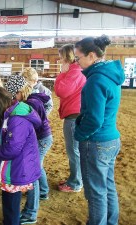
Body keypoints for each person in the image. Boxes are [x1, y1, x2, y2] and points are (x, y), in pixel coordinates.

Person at [74, 35, 125, 225]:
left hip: (96, 142)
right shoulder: (110, 75)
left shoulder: (95, 80)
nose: (77, 62)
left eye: (78, 57)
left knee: (96, 193)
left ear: (92, 55)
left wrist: (79, 134)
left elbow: (94, 119)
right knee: (108, 187)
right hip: (111, 139)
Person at [0, 87, 42, 225]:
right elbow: (3, 139)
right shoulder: (11, 116)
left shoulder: (16, 120)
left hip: (17, 170)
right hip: (16, 168)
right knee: (10, 204)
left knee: (11, 206)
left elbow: (11, 149)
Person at [5, 75, 53, 224]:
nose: (14, 99)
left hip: (41, 139)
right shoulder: (31, 100)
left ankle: (31, 212)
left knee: (32, 175)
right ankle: (43, 193)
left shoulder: (30, 102)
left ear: (18, 92)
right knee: (36, 170)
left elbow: (34, 124)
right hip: (41, 138)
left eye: (14, 95)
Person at [54, 44, 86, 192]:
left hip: (74, 116)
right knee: (75, 151)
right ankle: (75, 178)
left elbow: (61, 91)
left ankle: (75, 183)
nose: (60, 61)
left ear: (67, 57)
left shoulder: (74, 71)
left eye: (61, 58)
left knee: (74, 151)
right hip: (75, 114)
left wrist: (61, 74)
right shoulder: (76, 71)